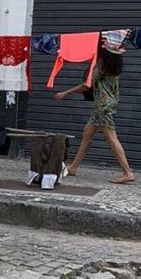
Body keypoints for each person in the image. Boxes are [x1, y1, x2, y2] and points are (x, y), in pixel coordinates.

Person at [53, 48, 134, 184]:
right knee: (87, 134)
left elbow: (87, 85)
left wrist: (66, 93)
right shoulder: (113, 65)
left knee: (112, 139)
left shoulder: (102, 65)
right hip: (105, 104)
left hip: (103, 106)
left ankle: (127, 172)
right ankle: (73, 167)